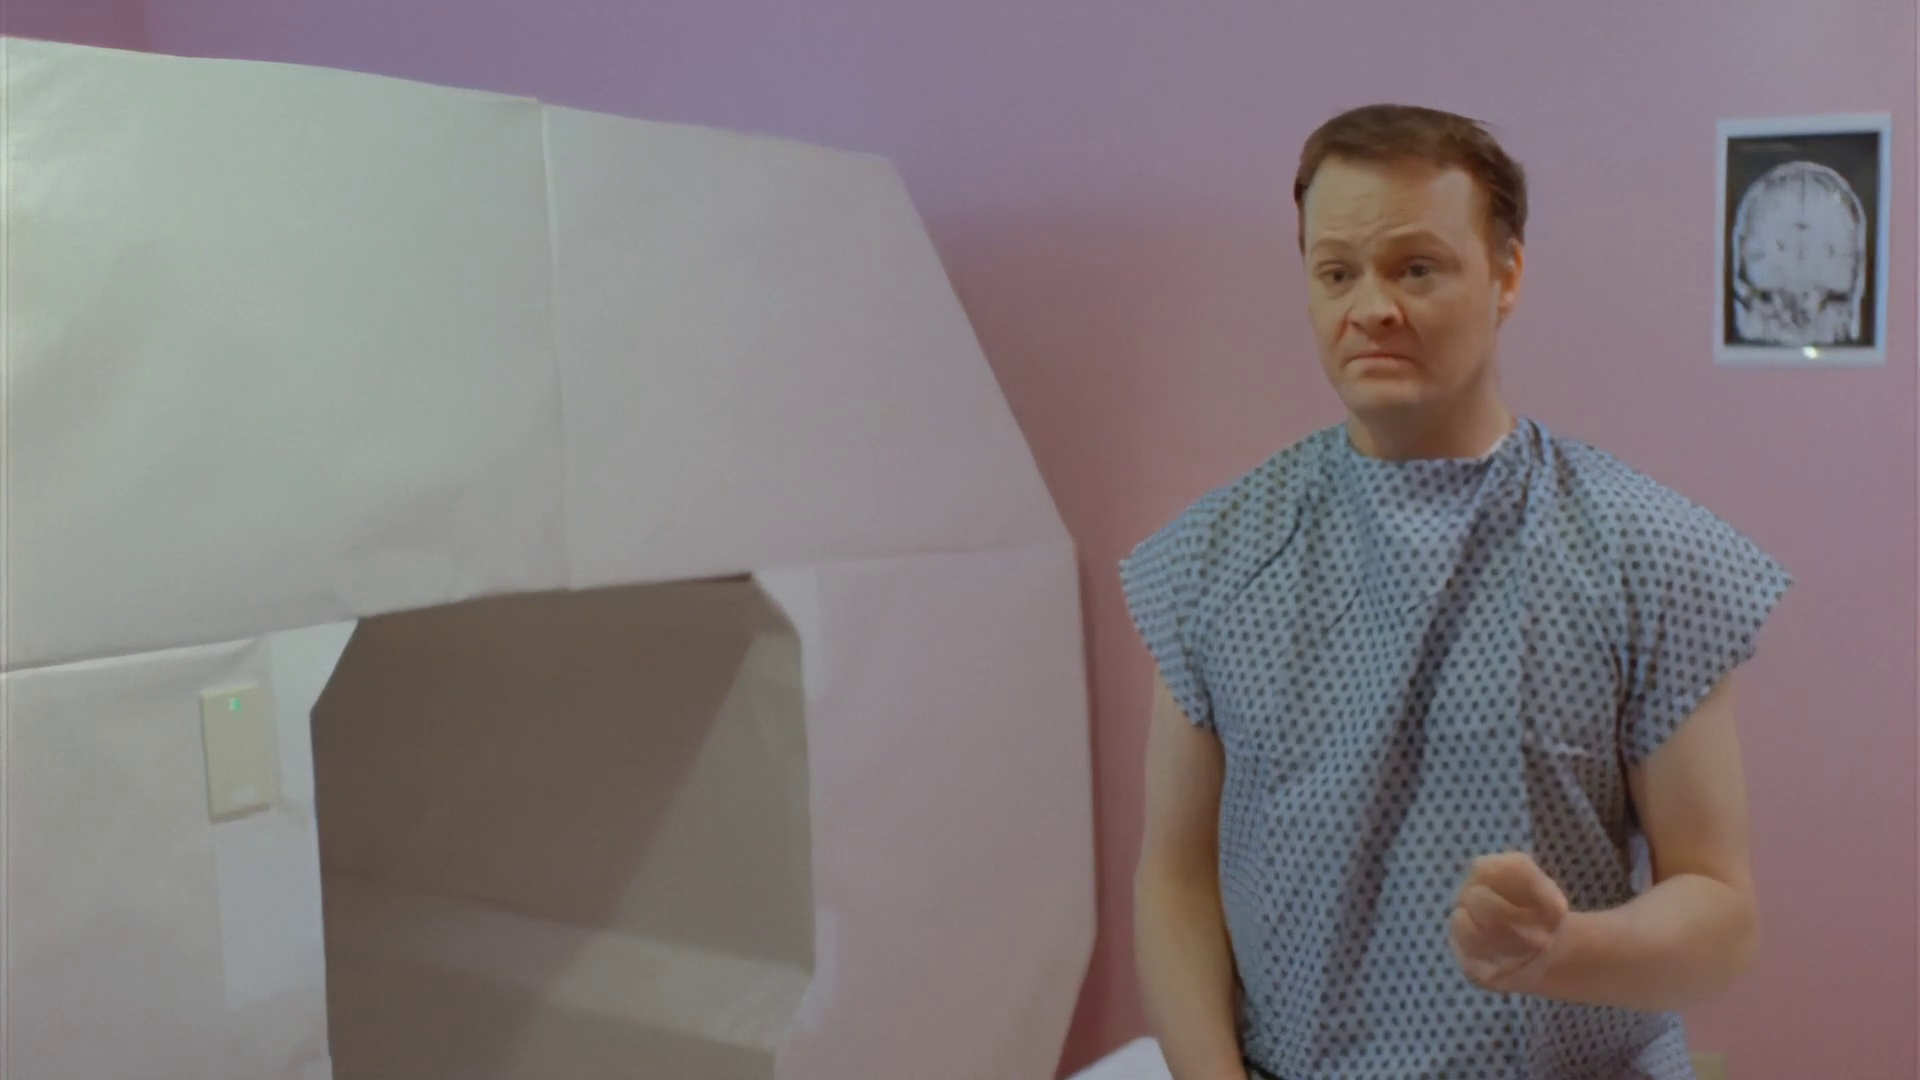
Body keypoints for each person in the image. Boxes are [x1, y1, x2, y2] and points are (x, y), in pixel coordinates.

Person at [1121, 103, 1791, 1080]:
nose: (1372, 307)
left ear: (1506, 273)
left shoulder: (1648, 554)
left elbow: (1722, 916)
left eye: (1416, 267)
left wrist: (1566, 954)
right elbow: (1177, 881)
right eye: (1336, 272)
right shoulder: (1211, 562)